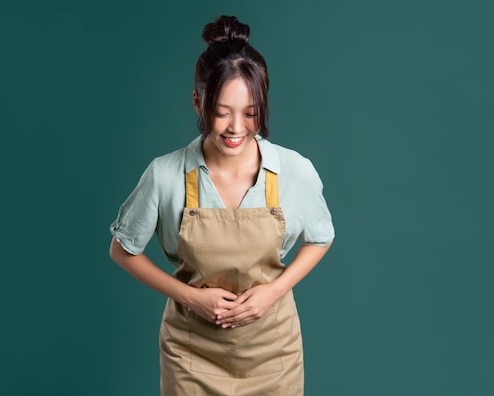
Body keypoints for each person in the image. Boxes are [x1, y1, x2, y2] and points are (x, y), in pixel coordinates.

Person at [109, 15, 334, 396]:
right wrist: (191, 298)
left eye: (250, 112)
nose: (236, 128)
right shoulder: (165, 174)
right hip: (192, 356)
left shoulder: (294, 170)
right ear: (198, 101)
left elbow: (321, 238)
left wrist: (272, 292)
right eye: (221, 111)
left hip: (272, 355)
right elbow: (122, 250)